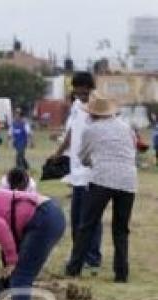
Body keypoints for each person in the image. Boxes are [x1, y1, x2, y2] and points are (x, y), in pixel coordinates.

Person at [65, 92, 137, 283]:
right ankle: (121, 274)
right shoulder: (126, 127)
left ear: (93, 114)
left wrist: (94, 162)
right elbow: (132, 149)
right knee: (121, 229)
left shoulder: (91, 130)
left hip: (102, 179)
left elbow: (83, 156)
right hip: (128, 180)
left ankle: (74, 268)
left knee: (86, 225)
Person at [52, 72, 102, 275]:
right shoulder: (76, 105)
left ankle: (92, 257)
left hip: (92, 170)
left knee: (90, 217)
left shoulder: (98, 105)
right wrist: (58, 153)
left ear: (90, 87)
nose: (80, 91)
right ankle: (78, 254)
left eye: (83, 88)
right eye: (76, 88)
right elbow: (72, 132)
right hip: (76, 171)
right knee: (77, 216)